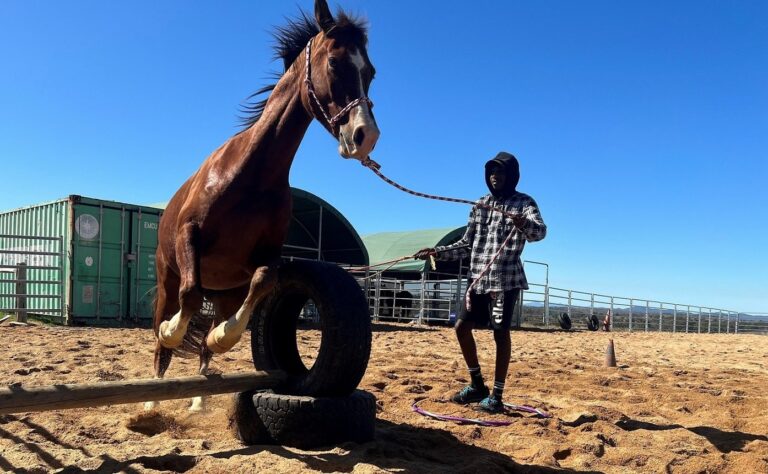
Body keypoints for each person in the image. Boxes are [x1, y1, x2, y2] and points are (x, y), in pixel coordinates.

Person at [414, 152, 546, 413]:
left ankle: (496, 396)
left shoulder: (524, 203)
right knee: (461, 327)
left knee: (500, 333)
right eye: (491, 172)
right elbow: (466, 244)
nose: (495, 177)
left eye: (500, 172)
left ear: (512, 176)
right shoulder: (480, 205)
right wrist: (437, 252)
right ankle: (477, 385)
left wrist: (523, 222)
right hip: (478, 279)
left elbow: (539, 232)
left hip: (505, 280)